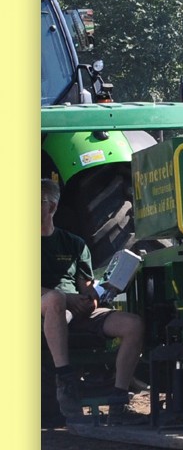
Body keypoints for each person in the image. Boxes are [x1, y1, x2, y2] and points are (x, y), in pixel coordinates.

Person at [41, 178, 144, 424]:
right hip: (42, 305)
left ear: (51, 207)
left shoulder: (74, 244)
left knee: (133, 324)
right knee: (55, 299)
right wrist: (67, 299)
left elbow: (86, 288)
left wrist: (92, 298)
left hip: (73, 310)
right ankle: (66, 381)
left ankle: (118, 402)